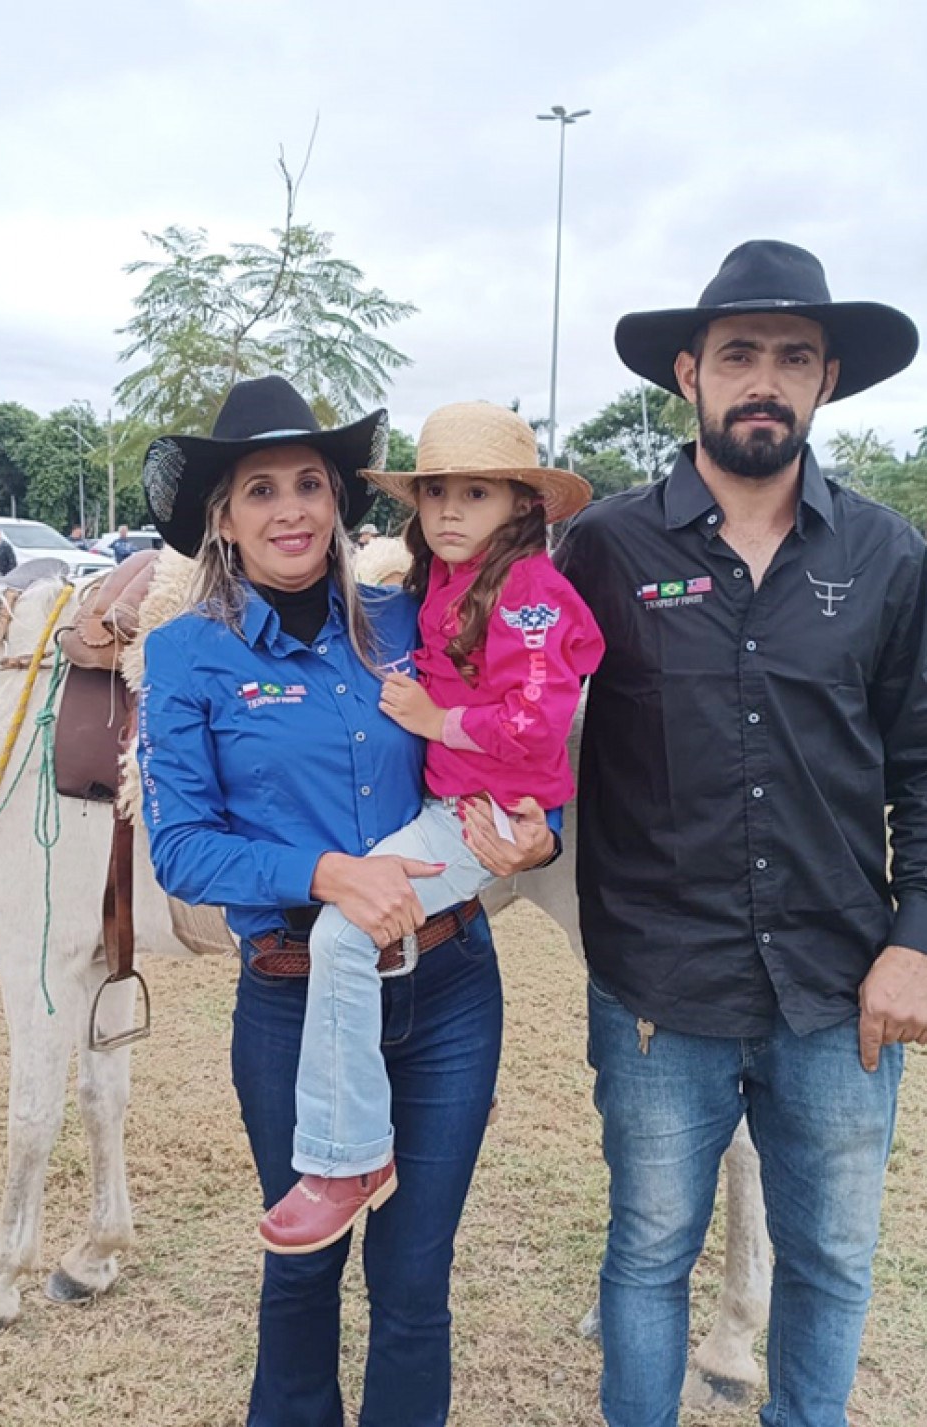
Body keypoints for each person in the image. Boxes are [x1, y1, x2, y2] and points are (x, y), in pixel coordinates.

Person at [553, 239, 927, 1427]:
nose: (764, 378)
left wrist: (920, 938)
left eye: (794, 357)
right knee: (646, 1255)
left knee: (831, 1262)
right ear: (687, 371)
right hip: (657, 985)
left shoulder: (885, 554)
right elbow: (495, 661)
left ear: (826, 381)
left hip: (839, 987)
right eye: (738, 352)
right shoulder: (606, 548)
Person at [138, 376, 554, 1426]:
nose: (290, 509)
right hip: (292, 1001)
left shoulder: (406, 620)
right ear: (222, 520)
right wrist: (325, 873)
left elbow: (502, 731)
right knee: (302, 1272)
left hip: (449, 992)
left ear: (338, 503)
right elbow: (182, 849)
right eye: (260, 489)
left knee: (414, 1283)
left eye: (310, 484)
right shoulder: (188, 653)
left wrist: (526, 821)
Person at [257, 402, 603, 1254]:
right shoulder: (444, 579)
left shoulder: (528, 598)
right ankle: (442, 1089)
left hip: (475, 811)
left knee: (344, 930)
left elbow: (532, 723)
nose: (448, 511)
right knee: (369, 927)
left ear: (521, 506)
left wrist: (436, 720)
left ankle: (350, 1155)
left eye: (475, 493)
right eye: (436, 492)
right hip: (446, 803)